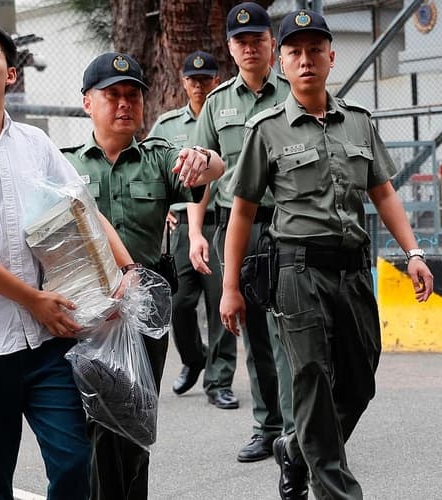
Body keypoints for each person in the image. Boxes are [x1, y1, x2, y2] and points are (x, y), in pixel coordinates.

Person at [0, 19, 199, 500]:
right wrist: (34, 300)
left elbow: (82, 207)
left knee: (74, 466)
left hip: (47, 342)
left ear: (11, 74)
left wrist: (125, 269)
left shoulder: (36, 144)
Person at [220, 10, 435, 499]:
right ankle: (337, 489)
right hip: (297, 270)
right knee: (313, 381)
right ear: (283, 62)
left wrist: (414, 252)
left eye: (315, 50)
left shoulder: (359, 122)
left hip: (354, 270)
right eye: (295, 52)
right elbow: (242, 214)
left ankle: (295, 446)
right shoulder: (265, 129)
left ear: (331, 57)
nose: (306, 60)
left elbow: (383, 193)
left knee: (360, 380)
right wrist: (231, 288)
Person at [62, 52, 223, 500]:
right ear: (87, 103)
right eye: (112, 95)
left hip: (144, 307)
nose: (124, 104)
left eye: (132, 95)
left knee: (135, 421)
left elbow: (212, 170)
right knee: (89, 421)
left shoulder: (158, 159)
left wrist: (202, 156)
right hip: (85, 308)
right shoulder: (65, 165)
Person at [190, 1, 295, 462]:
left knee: (289, 333)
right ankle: (267, 425)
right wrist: (195, 231)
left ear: (272, 43)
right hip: (241, 228)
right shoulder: (217, 104)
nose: (250, 47)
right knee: (252, 333)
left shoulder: (294, 91)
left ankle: (296, 431)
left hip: (290, 225)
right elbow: (198, 175)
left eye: (258, 38)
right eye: (241, 40)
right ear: (230, 49)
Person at [148, 51, 237, 406]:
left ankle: (219, 381)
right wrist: (162, 208)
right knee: (179, 302)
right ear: (183, 82)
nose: (199, 85)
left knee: (222, 303)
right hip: (183, 228)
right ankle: (194, 358)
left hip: (223, 222)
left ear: (216, 81)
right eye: (193, 79)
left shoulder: (226, 119)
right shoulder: (168, 125)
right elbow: (149, 164)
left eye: (206, 79)